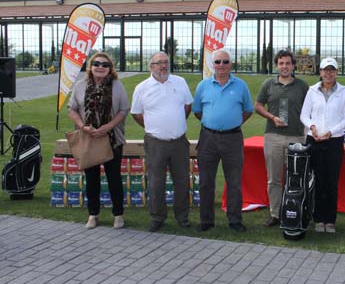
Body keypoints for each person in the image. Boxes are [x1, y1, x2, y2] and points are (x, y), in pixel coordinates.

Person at [131, 51, 193, 232]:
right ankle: (157, 217)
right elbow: (136, 113)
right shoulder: (142, 87)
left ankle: (182, 217)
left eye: (166, 62)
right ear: (151, 67)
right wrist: (153, 126)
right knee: (156, 182)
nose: (163, 66)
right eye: (159, 63)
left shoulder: (180, 82)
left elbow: (187, 106)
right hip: (155, 143)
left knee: (182, 181)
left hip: (179, 142)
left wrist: (176, 124)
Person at [193, 49, 254, 232]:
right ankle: (206, 220)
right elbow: (197, 111)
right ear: (212, 64)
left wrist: (231, 123)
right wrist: (214, 123)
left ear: (231, 64)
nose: (221, 65)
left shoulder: (241, 86)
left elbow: (248, 110)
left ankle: (235, 220)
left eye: (225, 62)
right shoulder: (203, 86)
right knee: (205, 182)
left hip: (233, 138)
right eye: (218, 62)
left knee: (234, 182)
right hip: (208, 138)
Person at [68, 52, 129, 230]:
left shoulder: (117, 86)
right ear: (90, 66)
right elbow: (71, 109)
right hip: (89, 139)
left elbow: (124, 110)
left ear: (110, 68)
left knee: (114, 178)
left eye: (105, 64)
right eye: (96, 63)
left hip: (112, 139)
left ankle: (118, 215)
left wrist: (108, 127)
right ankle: (93, 214)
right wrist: (82, 126)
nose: (100, 67)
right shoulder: (80, 86)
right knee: (91, 179)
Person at [255, 49, 309, 227]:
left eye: (288, 63)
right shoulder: (268, 84)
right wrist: (272, 117)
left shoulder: (302, 86)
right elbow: (258, 105)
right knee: (274, 178)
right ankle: (276, 214)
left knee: (296, 177)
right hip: (274, 136)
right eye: (281, 63)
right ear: (276, 65)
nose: (284, 67)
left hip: (297, 137)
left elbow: (311, 109)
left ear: (293, 65)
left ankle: (297, 210)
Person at [300, 57, 345, 233]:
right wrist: (312, 127)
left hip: (334, 141)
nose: (328, 73)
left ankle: (330, 220)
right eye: (325, 70)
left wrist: (331, 132)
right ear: (320, 72)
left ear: (336, 72)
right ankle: (318, 219)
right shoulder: (312, 90)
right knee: (317, 180)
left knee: (331, 181)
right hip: (313, 140)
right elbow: (304, 115)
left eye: (332, 70)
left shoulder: (344, 91)